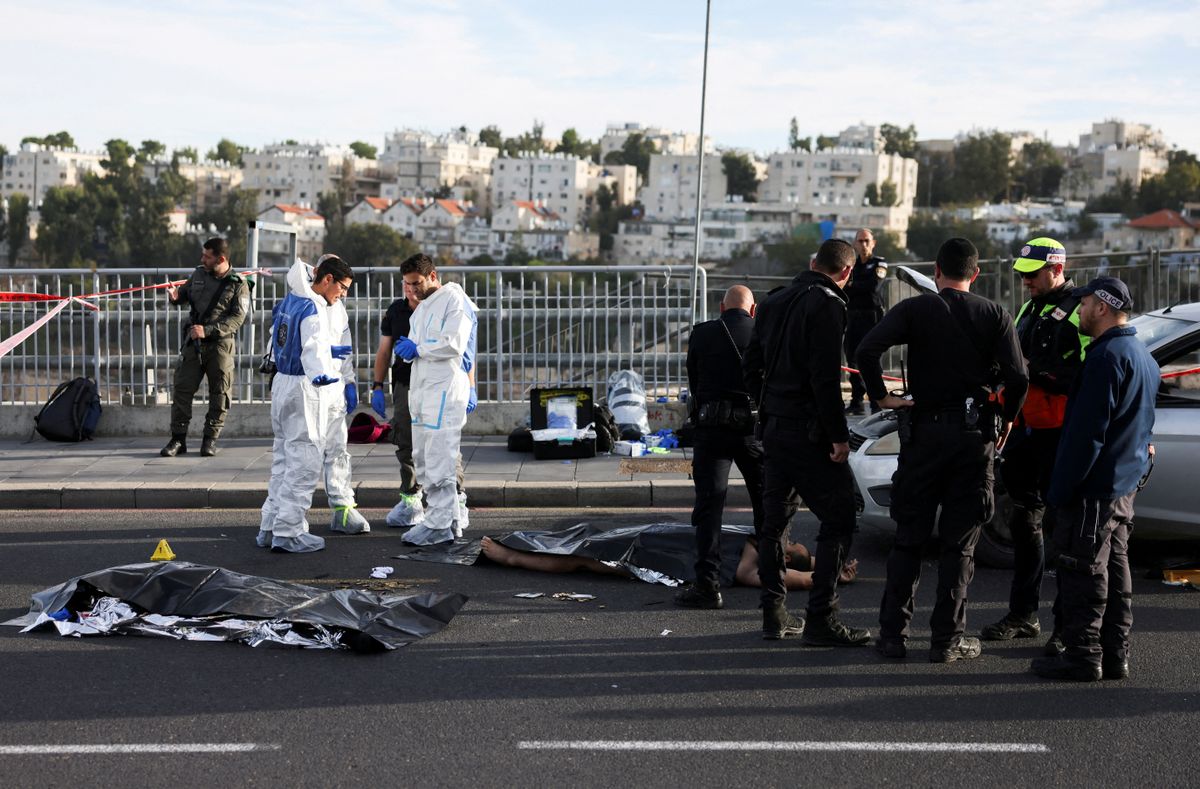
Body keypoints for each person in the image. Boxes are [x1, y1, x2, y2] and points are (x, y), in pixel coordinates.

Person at [857, 238, 1028, 662]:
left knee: (909, 539)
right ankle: (946, 641)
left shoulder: (915, 309)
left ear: (936, 270)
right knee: (960, 544)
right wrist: (1005, 420)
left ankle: (892, 635)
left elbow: (866, 350)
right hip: (973, 442)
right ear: (976, 273)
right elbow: (1019, 378)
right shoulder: (995, 314)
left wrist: (881, 397)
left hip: (924, 437)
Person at [742, 238, 870, 645]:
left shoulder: (775, 300)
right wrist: (837, 437)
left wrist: (766, 406)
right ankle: (822, 617)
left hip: (774, 427)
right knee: (842, 514)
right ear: (846, 272)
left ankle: (774, 613)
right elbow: (824, 378)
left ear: (814, 263)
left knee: (775, 521)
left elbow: (752, 365)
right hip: (807, 430)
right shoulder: (829, 305)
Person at [1032, 277, 1157, 682]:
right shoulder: (1141, 355)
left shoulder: (1105, 359)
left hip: (1094, 493)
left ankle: (1084, 656)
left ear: (1102, 307)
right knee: (1115, 572)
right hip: (1122, 488)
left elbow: (1086, 437)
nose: (1078, 310)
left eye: (1083, 303)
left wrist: (1060, 491)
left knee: (1082, 570)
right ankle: (1115, 654)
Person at [980, 238, 1089, 654]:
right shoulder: (1030, 307)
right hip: (1025, 429)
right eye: (1022, 273)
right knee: (1025, 523)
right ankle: (1024, 615)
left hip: (1060, 434)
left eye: (1033, 274)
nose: (1025, 281)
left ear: (1056, 268)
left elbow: (1083, 372)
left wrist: (1035, 371)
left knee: (1065, 532)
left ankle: (1067, 626)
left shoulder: (1081, 309)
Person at [256, 254, 369, 553]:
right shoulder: (314, 307)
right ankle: (289, 530)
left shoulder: (294, 299)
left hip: (286, 383)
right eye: (342, 287)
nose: (343, 294)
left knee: (284, 458)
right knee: (305, 459)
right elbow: (313, 348)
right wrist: (324, 374)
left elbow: (278, 342)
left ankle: (270, 525)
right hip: (310, 387)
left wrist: (346, 378)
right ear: (326, 278)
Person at [674, 285, 766, 610]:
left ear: (721, 307)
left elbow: (694, 380)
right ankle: (772, 583)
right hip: (753, 431)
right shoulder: (763, 332)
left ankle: (707, 586)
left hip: (712, 431)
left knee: (709, 508)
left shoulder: (702, 333)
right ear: (753, 310)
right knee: (767, 505)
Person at [373, 279, 475, 531]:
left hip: (440, 388)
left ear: (431, 277)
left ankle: (455, 503)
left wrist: (471, 386)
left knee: (443, 446)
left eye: (415, 283)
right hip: (409, 386)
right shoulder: (398, 311)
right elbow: (385, 351)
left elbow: (464, 352)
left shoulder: (446, 305)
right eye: (406, 285)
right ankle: (412, 501)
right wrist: (377, 386)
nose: (411, 289)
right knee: (410, 445)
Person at [481, 534, 858, 590]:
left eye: (794, 545)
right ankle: (517, 551)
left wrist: (824, 578)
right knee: (593, 545)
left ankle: (513, 557)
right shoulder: (757, 536)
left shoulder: (759, 555)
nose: (790, 539)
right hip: (667, 538)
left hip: (667, 559)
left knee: (588, 560)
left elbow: (751, 575)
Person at [161, 237, 250, 458]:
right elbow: (184, 295)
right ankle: (178, 440)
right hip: (194, 343)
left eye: (207, 256)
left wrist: (209, 331)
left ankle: (210, 440)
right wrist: (175, 297)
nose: (202, 259)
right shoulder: (198, 274)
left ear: (220, 258)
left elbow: (237, 319)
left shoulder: (239, 284)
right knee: (182, 389)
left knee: (220, 393)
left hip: (220, 345)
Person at [843, 229, 888, 416]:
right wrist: (856, 286)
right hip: (853, 315)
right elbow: (845, 286)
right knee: (851, 358)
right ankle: (857, 401)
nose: (863, 244)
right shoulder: (851, 266)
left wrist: (854, 285)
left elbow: (873, 287)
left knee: (870, 358)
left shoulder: (879, 263)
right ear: (854, 244)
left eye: (866, 241)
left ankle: (877, 401)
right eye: (860, 241)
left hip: (872, 317)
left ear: (873, 242)